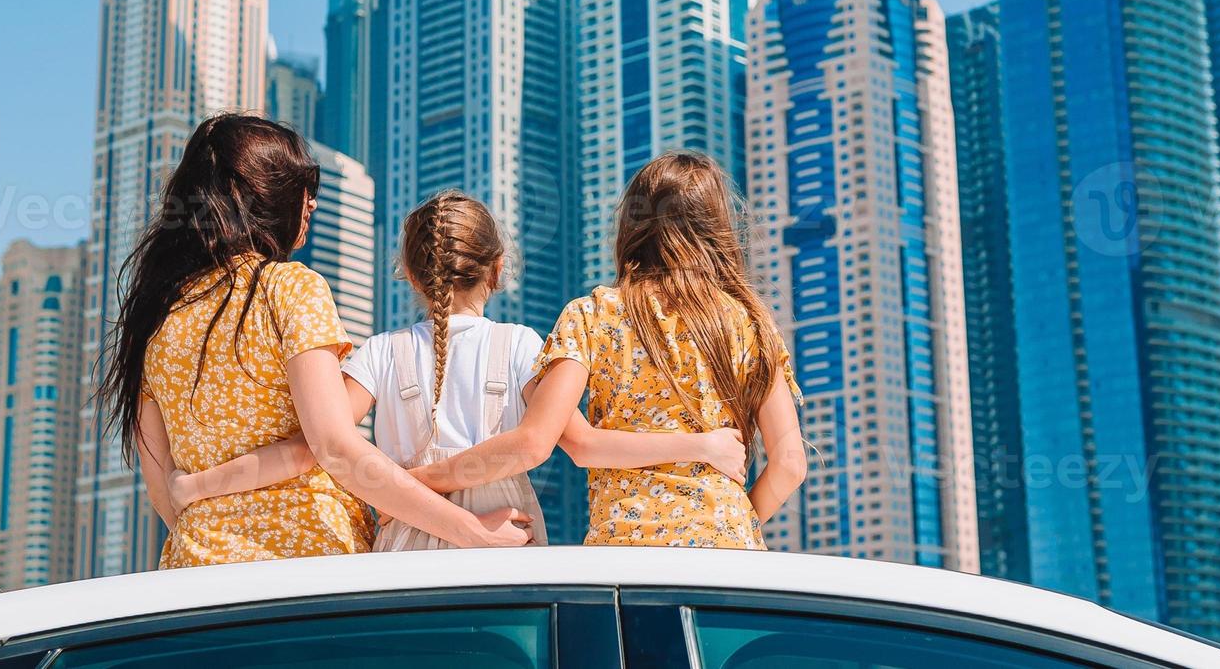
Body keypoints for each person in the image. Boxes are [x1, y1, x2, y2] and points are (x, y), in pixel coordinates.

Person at [170, 190, 748, 550]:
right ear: (497, 269)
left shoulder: (377, 353)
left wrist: (199, 484)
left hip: (402, 536)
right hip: (506, 538)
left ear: (412, 274)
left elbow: (312, 449)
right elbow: (575, 443)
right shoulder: (523, 345)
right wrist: (703, 445)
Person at [96, 113, 529, 566]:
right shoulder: (289, 288)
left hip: (196, 572)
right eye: (305, 191)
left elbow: (164, 490)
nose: (312, 206)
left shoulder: (156, 319)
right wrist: (470, 531)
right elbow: (334, 446)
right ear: (266, 196)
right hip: (309, 562)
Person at [426, 151, 807, 547]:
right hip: (727, 554)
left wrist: (420, 480)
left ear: (632, 224)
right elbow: (790, 464)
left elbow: (573, 443)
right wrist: (733, 521)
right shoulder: (751, 325)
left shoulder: (593, 314)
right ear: (716, 227)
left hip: (625, 552)